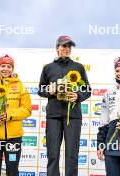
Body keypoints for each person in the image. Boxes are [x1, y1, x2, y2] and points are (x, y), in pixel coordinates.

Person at [38, 35, 91, 176]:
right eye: (64, 46)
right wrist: (48, 91)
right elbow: (40, 89)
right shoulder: (48, 68)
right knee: (53, 154)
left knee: (72, 155)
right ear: (57, 48)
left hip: (73, 116)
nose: (67, 49)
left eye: (69, 47)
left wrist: (78, 96)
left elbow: (87, 89)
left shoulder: (78, 67)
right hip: (53, 116)